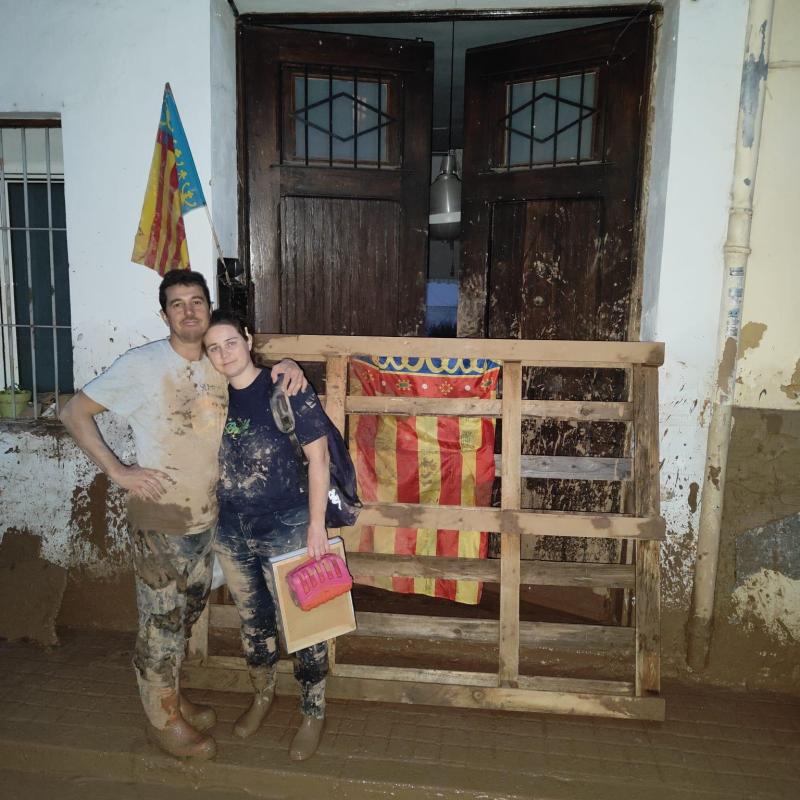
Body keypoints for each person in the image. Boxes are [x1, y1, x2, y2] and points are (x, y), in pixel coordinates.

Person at [59, 270, 305, 760]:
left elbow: (255, 371)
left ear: (209, 308)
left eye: (197, 301)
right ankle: (162, 721)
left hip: (207, 519)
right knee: (160, 625)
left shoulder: (219, 362)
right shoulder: (143, 363)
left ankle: (169, 697)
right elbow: (72, 413)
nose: (189, 311)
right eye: (177, 304)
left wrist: (290, 364)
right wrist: (119, 470)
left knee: (182, 618)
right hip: (160, 522)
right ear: (164, 314)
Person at [203, 310, 332, 761]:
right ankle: (262, 695)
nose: (223, 354)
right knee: (253, 623)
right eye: (213, 347)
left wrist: (316, 525)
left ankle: (312, 710)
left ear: (248, 339)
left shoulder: (287, 387)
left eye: (230, 343)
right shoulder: (210, 395)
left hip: (288, 525)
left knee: (304, 623)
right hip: (230, 529)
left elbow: (319, 459)